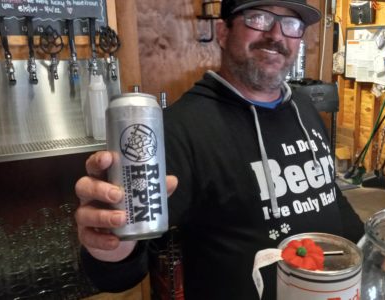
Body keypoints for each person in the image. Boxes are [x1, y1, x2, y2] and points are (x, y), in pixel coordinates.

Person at [74, 0, 365, 299]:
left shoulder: (302, 107)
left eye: (291, 24)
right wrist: (110, 244)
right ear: (223, 32)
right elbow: (119, 272)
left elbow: (328, 193)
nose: (276, 35)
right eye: (259, 18)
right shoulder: (179, 128)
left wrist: (371, 250)